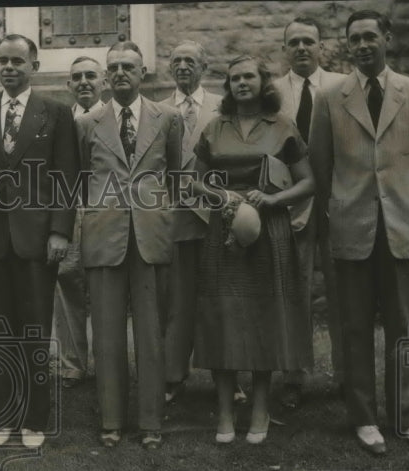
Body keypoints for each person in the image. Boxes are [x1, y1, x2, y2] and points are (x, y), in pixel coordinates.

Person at [309, 10, 409, 455]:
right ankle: (364, 418)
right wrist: (340, 208)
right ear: (348, 46)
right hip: (352, 225)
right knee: (356, 325)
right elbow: (321, 168)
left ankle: (406, 416)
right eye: (354, 39)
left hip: (402, 223)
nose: (362, 45)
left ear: (387, 38)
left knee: (404, 325)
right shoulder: (330, 97)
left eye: (370, 36)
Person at [0, 33, 78, 449]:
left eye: (18, 61)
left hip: (36, 240)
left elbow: (66, 177)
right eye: (3, 61)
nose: (9, 68)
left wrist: (60, 230)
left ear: (34, 66)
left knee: (33, 332)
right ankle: (2, 417)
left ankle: (34, 418)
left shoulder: (56, 114)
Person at [190, 55, 314, 445]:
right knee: (223, 315)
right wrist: (221, 196)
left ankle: (260, 409)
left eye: (249, 77)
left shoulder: (283, 127)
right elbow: (193, 183)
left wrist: (276, 200)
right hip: (224, 230)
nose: (241, 83)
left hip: (269, 229)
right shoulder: (215, 127)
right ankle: (226, 412)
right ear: (228, 87)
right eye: (234, 78)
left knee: (264, 316)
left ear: (263, 82)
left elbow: (308, 183)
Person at [75, 41, 181, 449]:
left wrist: (159, 215)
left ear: (142, 74)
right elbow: (81, 180)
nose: (120, 73)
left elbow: (172, 175)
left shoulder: (167, 118)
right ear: (105, 75)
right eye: (113, 67)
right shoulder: (89, 123)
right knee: (106, 333)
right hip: (105, 236)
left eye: (128, 67)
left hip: (151, 236)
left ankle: (152, 422)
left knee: (152, 333)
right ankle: (112, 420)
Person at [272, 17, 348, 410]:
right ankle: (293, 376)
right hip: (291, 203)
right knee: (292, 292)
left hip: (338, 203)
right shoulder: (273, 92)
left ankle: (347, 375)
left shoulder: (341, 86)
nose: (302, 48)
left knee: (343, 291)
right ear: (285, 49)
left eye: (309, 42)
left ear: (321, 46)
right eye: (294, 42)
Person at [160, 40, 222, 403]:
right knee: (176, 299)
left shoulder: (220, 107)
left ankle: (227, 375)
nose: (183, 66)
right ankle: (172, 375)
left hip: (213, 213)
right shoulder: (158, 108)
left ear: (204, 66)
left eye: (190, 60)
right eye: (177, 59)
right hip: (172, 215)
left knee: (219, 298)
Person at [53, 55, 105, 389]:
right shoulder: (59, 120)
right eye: (77, 77)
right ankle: (72, 363)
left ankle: (108, 363)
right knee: (66, 280)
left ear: (103, 82)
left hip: (106, 210)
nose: (84, 81)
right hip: (69, 210)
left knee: (105, 288)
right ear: (69, 85)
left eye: (91, 75)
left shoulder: (114, 118)